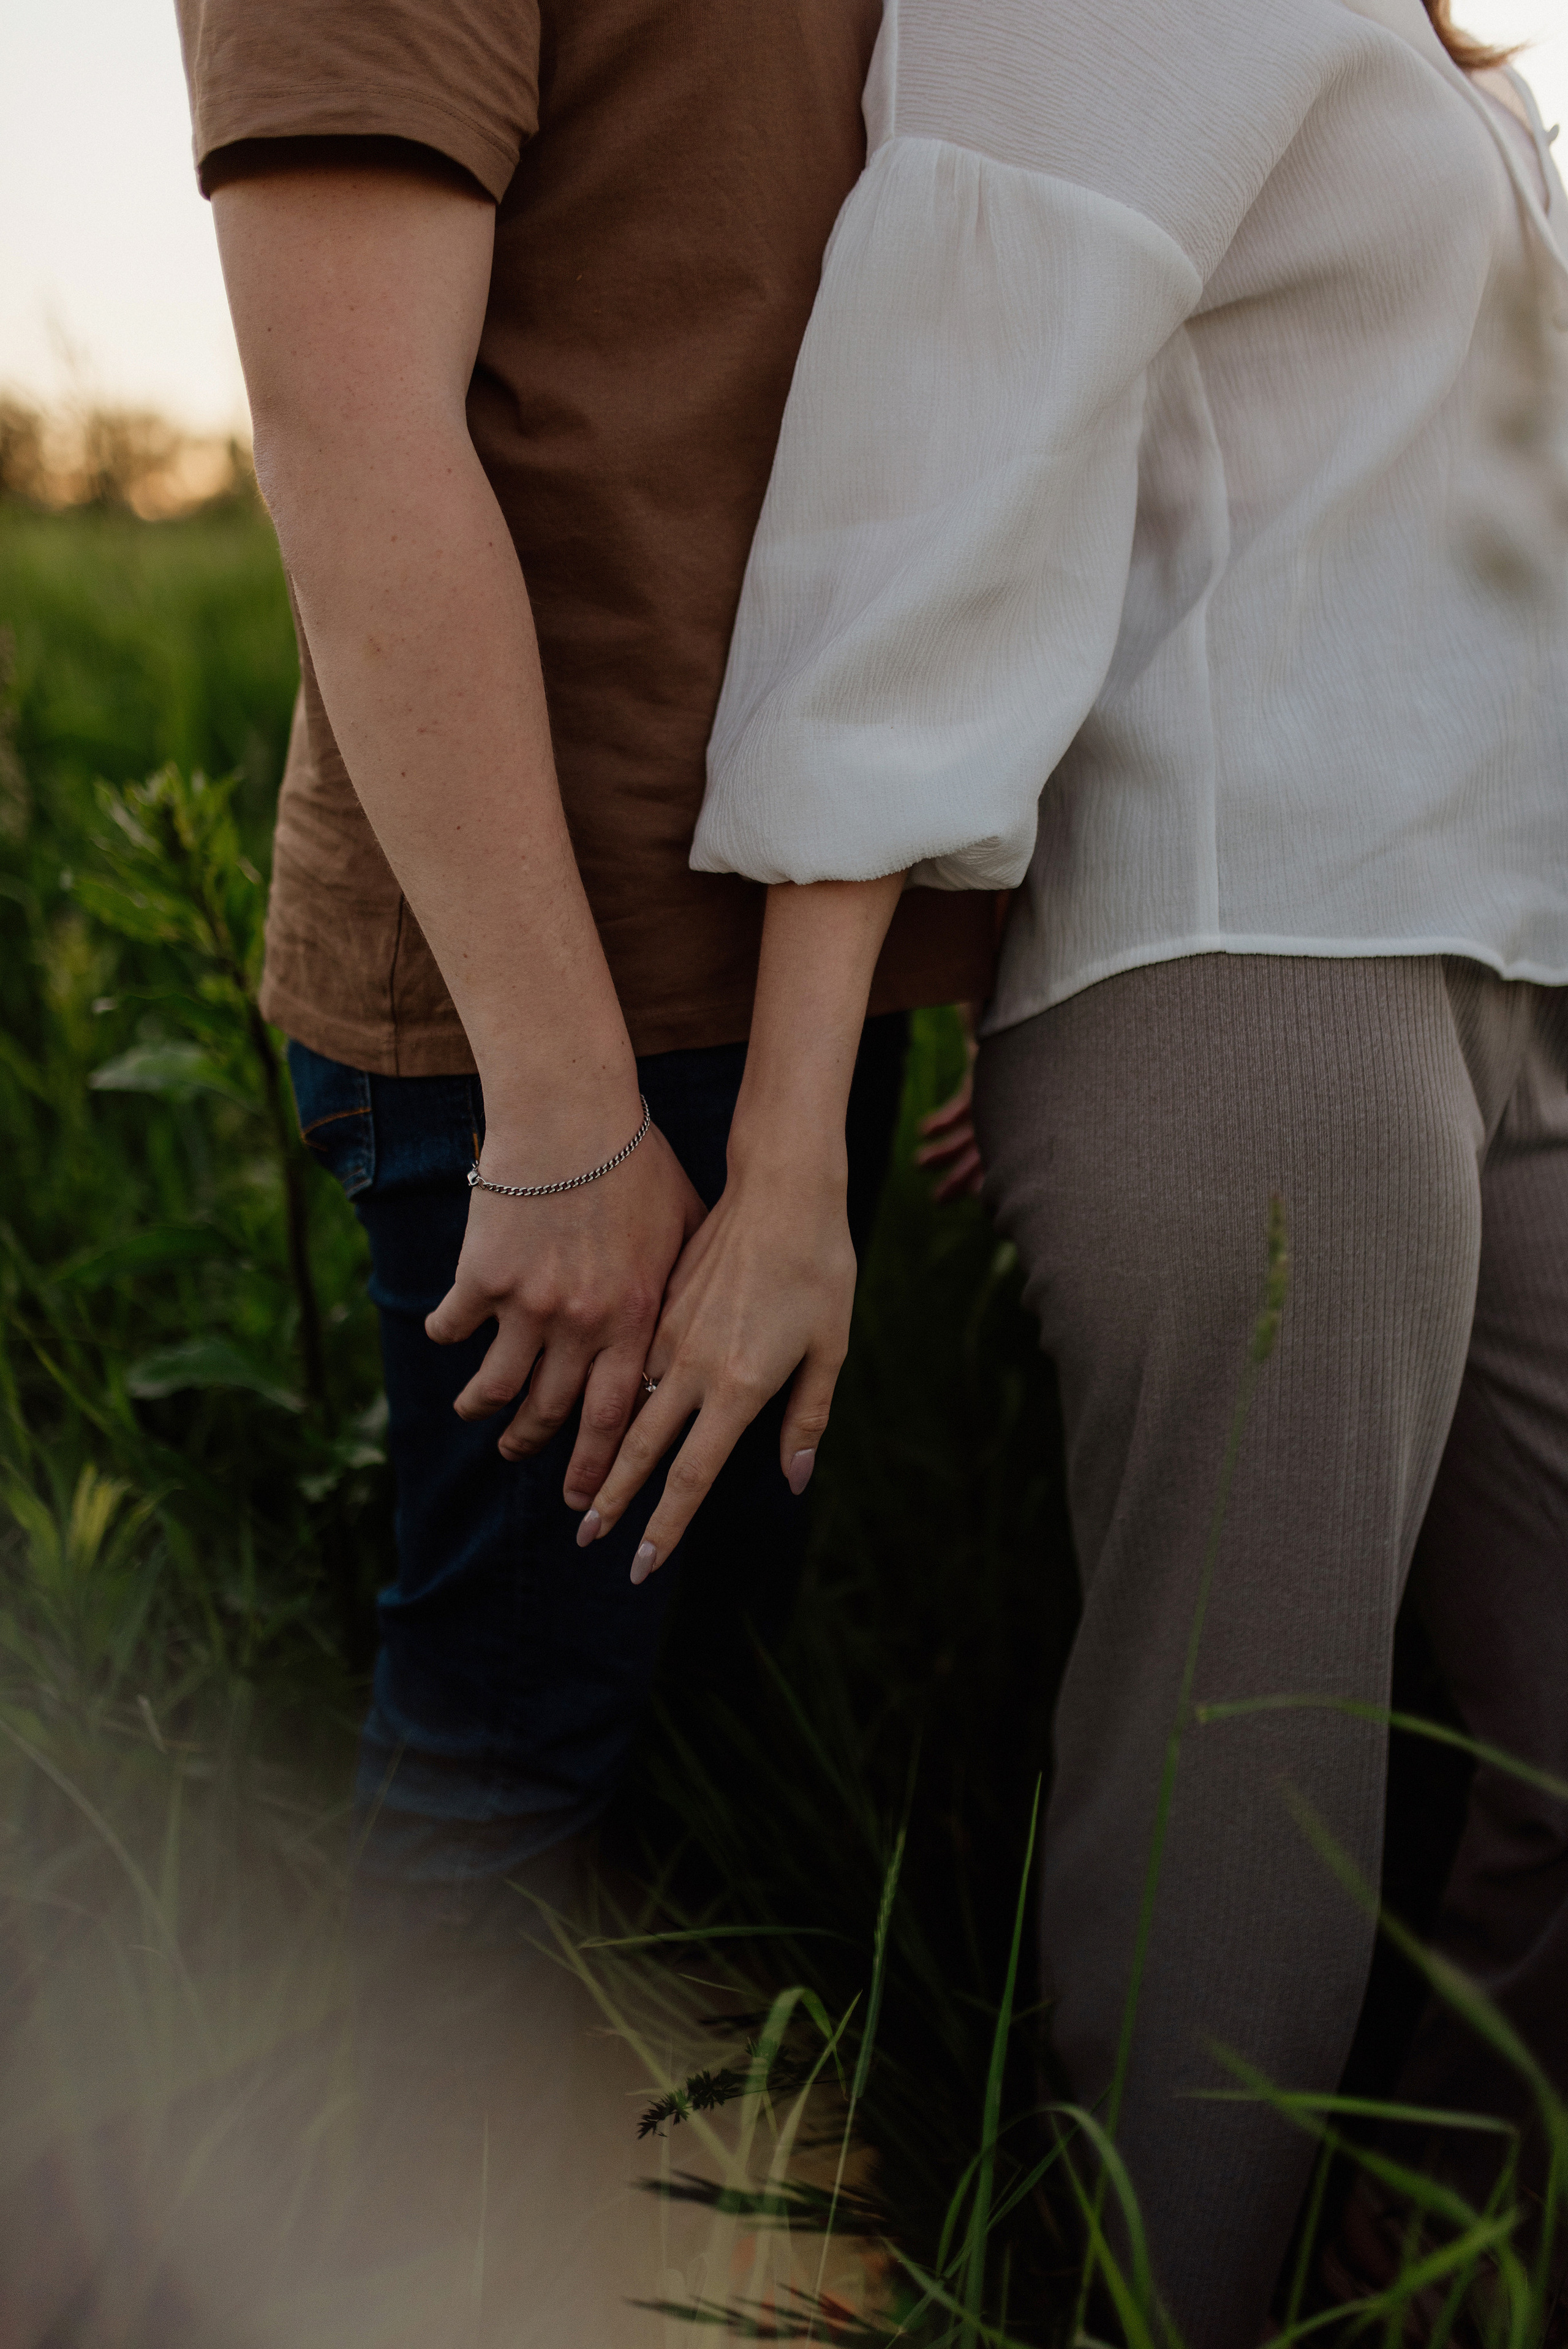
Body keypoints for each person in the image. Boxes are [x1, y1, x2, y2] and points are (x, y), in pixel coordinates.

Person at [579, 0, 1568, 2337]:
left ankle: (1416, 2280)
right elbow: (943, 464)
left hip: (1511, 960)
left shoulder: (1438, 51)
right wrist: (796, 1144)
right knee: (1257, 1797)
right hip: (1263, 961)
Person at [174, 0, 998, 1899]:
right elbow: (346, 423)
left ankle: (615, 2200)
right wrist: (559, 1104)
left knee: (702, 1743)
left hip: (793, 944)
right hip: (551, 1000)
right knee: (513, 1773)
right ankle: (408, 2205)